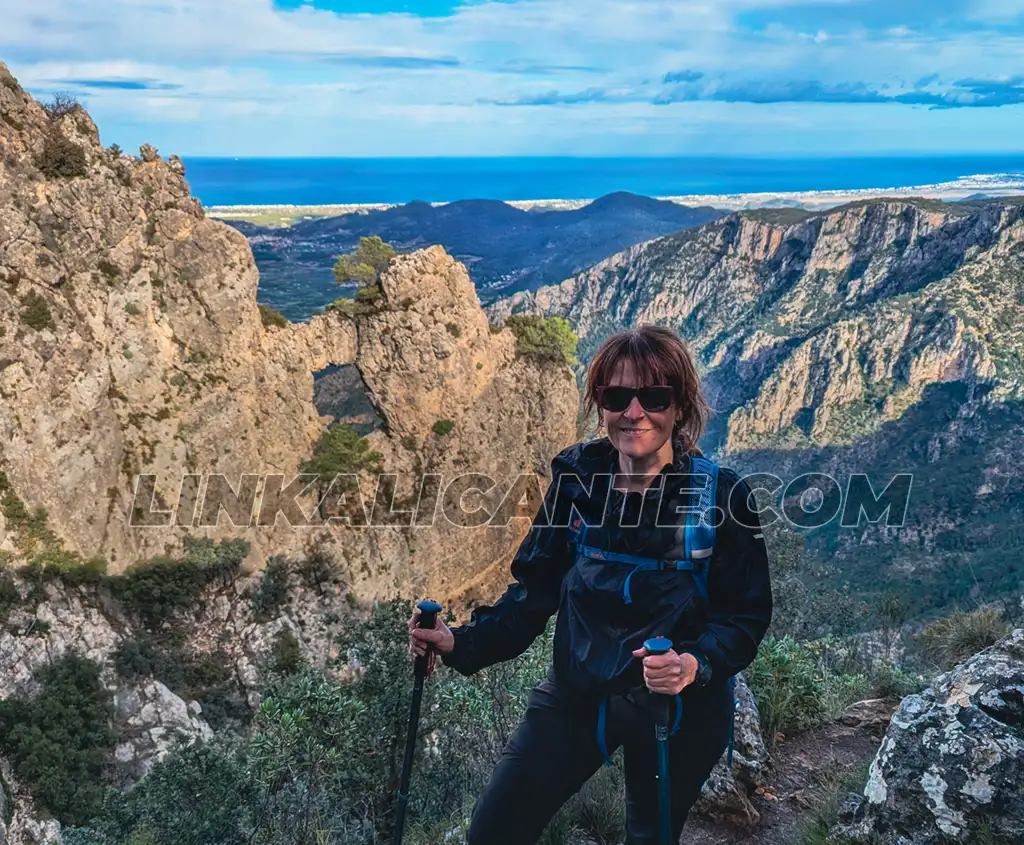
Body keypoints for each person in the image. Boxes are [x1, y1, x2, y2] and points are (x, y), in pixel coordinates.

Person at [409, 325, 773, 845]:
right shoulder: (577, 482)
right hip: (577, 694)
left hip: (677, 711)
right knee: (494, 832)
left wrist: (693, 664)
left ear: (679, 406)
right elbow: (535, 592)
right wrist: (459, 642)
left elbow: (745, 616)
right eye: (617, 395)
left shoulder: (722, 497)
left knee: (649, 838)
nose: (634, 411)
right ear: (599, 402)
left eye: (654, 396)